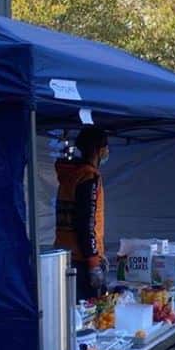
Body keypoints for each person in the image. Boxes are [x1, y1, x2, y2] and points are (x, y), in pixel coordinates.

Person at [55, 127, 110, 302]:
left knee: (73, 313)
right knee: (90, 315)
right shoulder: (88, 177)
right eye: (106, 147)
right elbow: (86, 222)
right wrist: (94, 262)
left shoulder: (70, 175)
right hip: (82, 259)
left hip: (66, 253)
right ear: (98, 150)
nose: (107, 152)